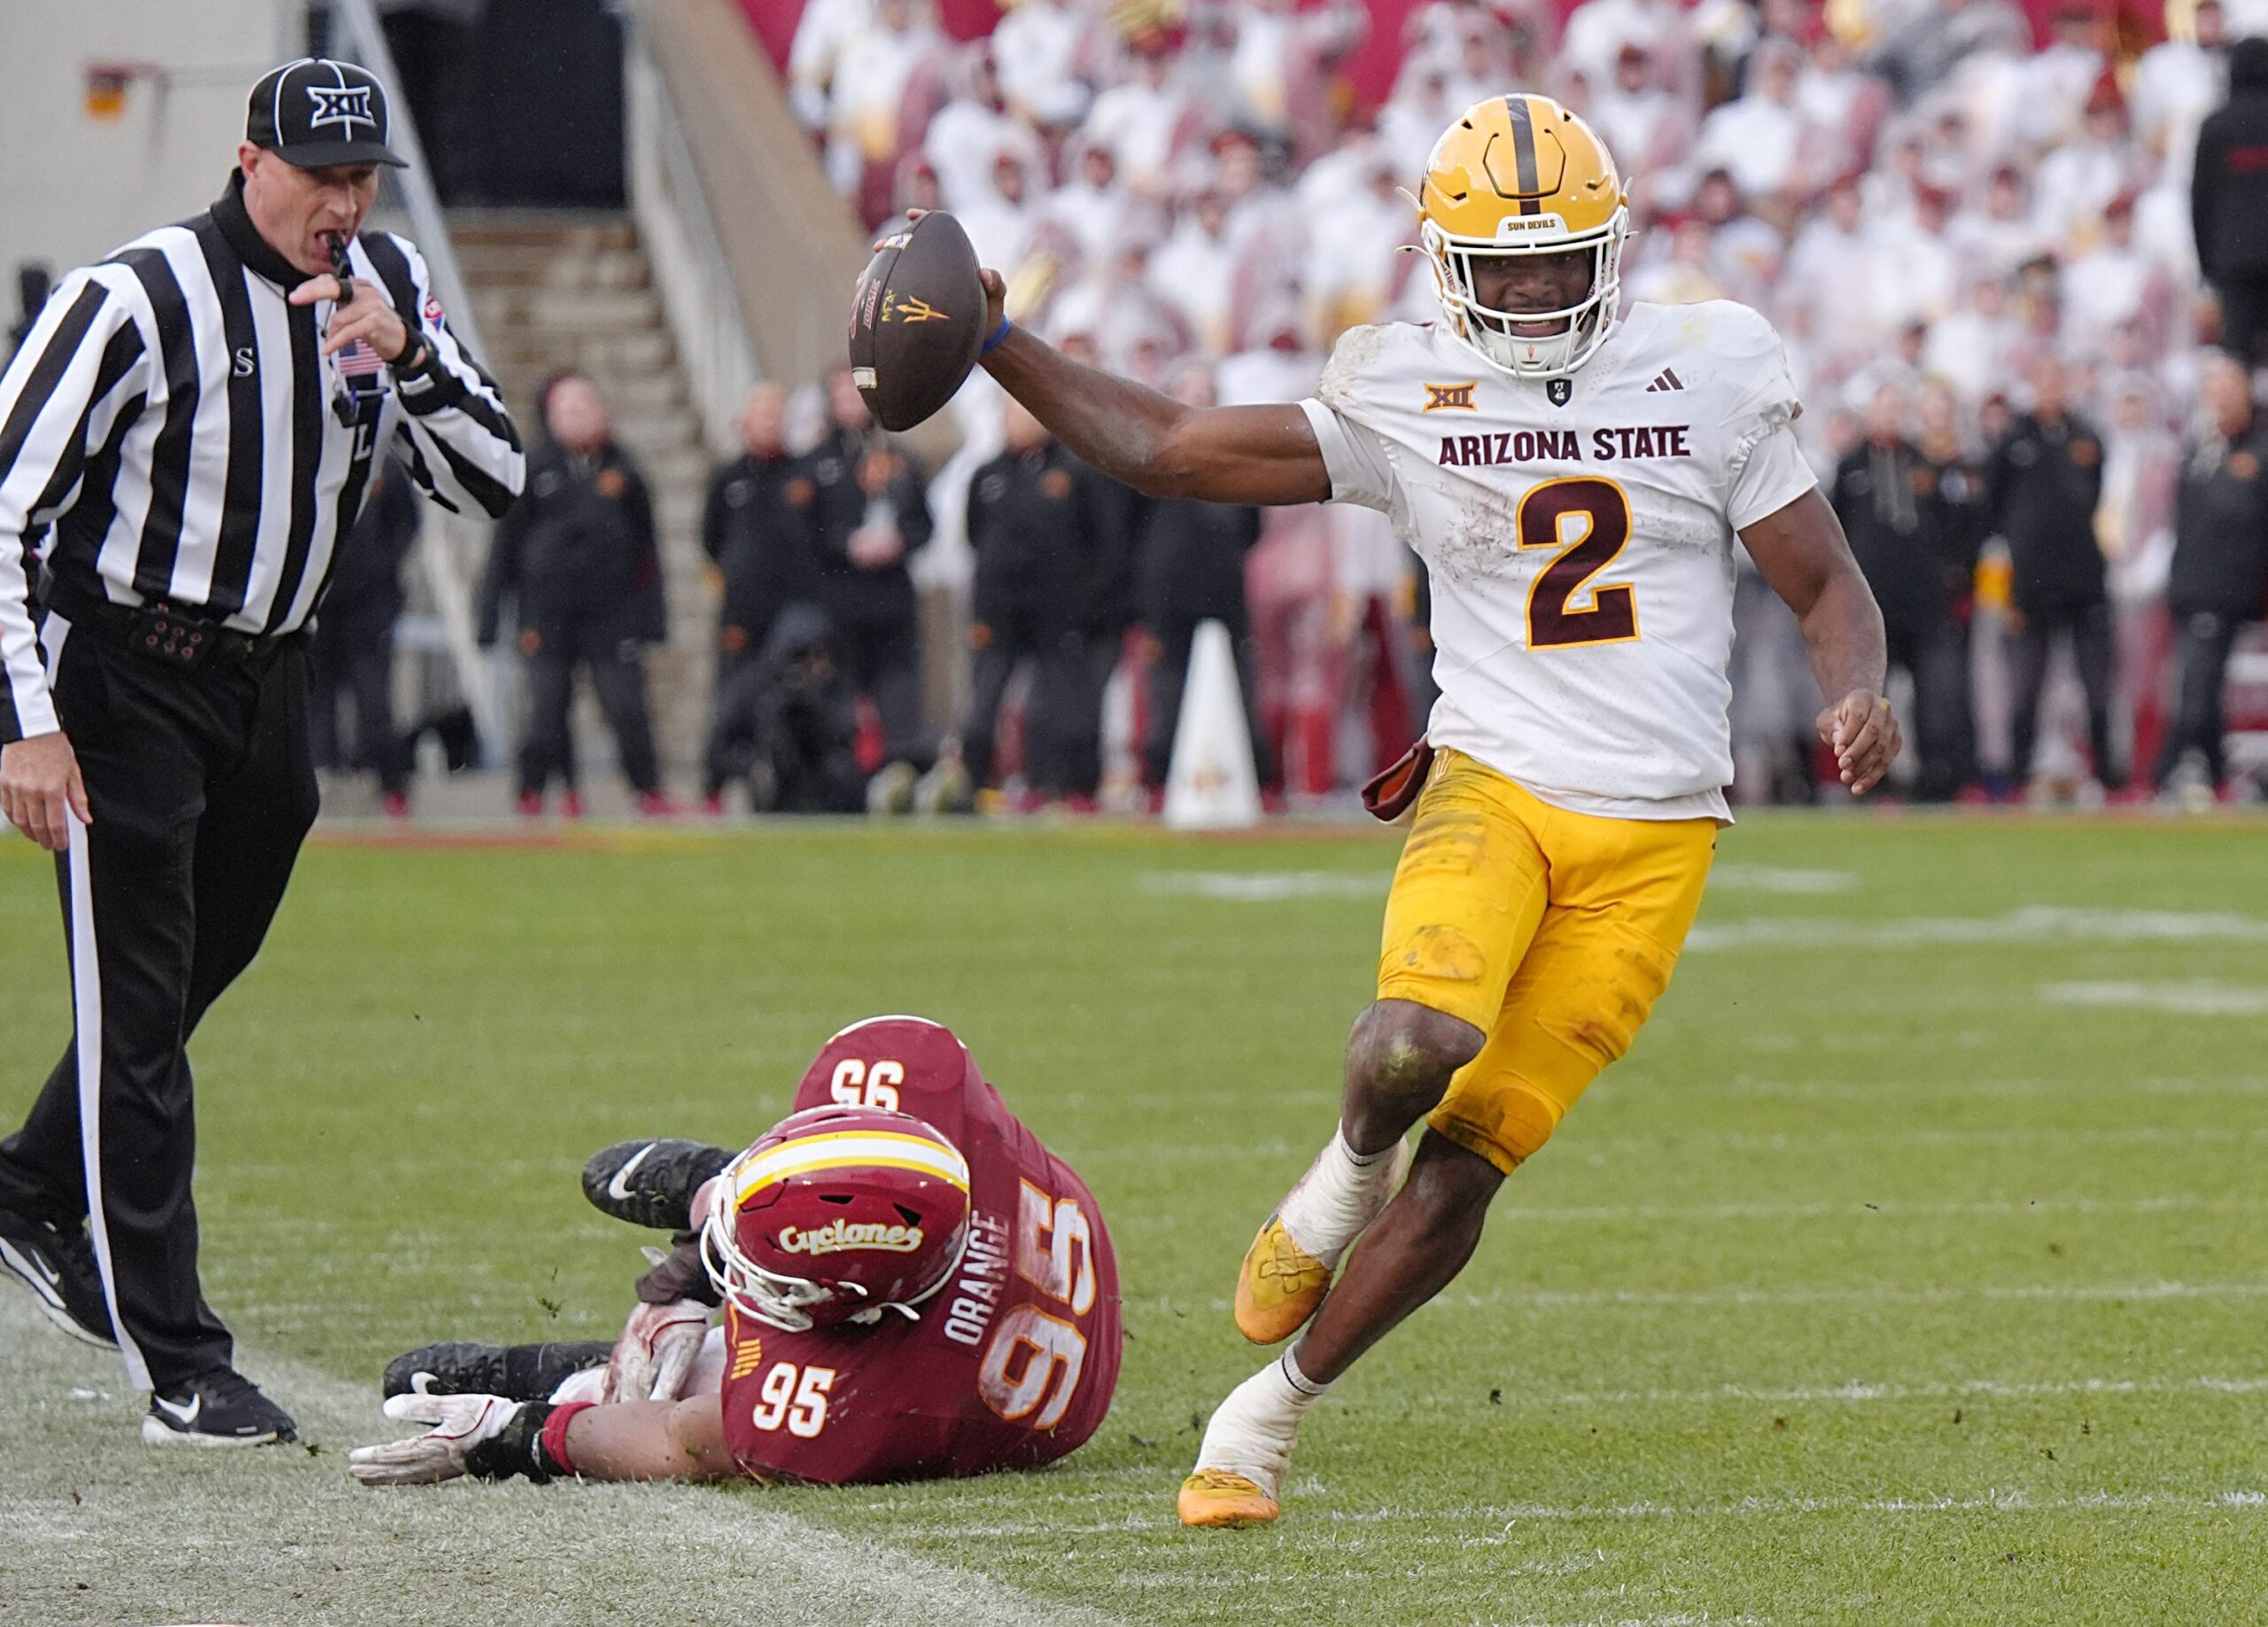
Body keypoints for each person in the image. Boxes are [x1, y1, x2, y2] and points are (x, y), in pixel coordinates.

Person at [961, 93, 1897, 1528]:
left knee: (1466, 1175)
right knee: (1417, 1040)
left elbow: (1826, 581)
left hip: (1656, 840)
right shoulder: (1405, 387)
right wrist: (996, 341)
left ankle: (1263, 1418)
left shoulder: (1708, 366)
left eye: (1557, 260)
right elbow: (1171, 447)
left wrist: (1858, 687)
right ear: (1443, 262)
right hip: (1495, 785)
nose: (1529, 290)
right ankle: (1338, 1179)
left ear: (1614, 246)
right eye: (1503, 266)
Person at [0, 58, 522, 1445]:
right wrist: (30, 722)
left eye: (361, 182)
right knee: (139, 1020)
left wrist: (402, 356)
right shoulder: (134, 295)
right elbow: (2, 506)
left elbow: (498, 477)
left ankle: (31, 1187)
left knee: (174, 990)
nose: (341, 207)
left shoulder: (384, 284)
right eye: (319, 178)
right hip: (122, 677)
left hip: (267, 684)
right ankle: (179, 1363)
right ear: (249, 163)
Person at [348, 1016, 1122, 1488]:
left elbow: (676, 1439)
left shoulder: (851, 1414)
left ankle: (591, 1373)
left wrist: (515, 1436)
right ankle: (726, 1194)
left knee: (694, 1397)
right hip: (997, 1296)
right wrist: (691, 1279)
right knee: (747, 1275)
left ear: (848, 1313)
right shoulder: (927, 1084)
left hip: (950, 1383)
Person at [478, 373, 672, 818]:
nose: (579, 416)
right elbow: (505, 549)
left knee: (625, 706)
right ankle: (535, 793)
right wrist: (490, 617)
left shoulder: (625, 470)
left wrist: (653, 616)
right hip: (547, 614)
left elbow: (648, 549)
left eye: (586, 405)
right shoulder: (533, 468)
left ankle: (649, 791)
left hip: (611, 614)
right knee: (546, 710)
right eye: (568, 409)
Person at [959, 399, 1124, 805]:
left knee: (1066, 702)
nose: (1022, 422)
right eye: (1014, 414)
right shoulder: (987, 476)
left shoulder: (1073, 474)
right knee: (986, 695)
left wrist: (1087, 598)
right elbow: (975, 535)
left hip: (1059, 610)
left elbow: (1102, 542)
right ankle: (974, 782)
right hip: (1000, 608)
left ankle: (1072, 786)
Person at [1986, 354, 2121, 794]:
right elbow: (1995, 507)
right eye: (2042, 380)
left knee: (2098, 690)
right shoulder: (2013, 439)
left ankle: (2109, 778)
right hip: (2030, 584)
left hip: (2084, 579)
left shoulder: (2087, 436)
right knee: (2025, 689)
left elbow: (2097, 498)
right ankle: (2017, 779)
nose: (2051, 389)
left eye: (2057, 380)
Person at [1135, 364, 1271, 798]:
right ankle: (1160, 780)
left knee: (1237, 686)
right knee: (1167, 692)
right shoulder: (1147, 460)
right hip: (1167, 599)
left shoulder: (1236, 464)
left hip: (1223, 594)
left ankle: (1248, 779)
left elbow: (1252, 526)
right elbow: (1129, 531)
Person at [1830, 383, 1972, 798]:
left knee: (1937, 698)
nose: (1890, 416)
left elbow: (1956, 525)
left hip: (1925, 601)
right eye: (1883, 407)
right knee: (1871, 697)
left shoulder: (1927, 461)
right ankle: (1873, 782)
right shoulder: (1850, 464)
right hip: (1871, 604)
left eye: (1897, 408)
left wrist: (1950, 575)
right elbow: (1836, 529)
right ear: (1871, 413)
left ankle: (1937, 781)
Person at [806, 368, 933, 806]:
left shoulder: (899, 457)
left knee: (899, 699)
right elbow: (806, 532)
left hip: (891, 601)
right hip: (840, 602)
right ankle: (842, 788)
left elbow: (924, 524)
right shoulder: (816, 463)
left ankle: (899, 780)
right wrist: (846, 543)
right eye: (842, 394)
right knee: (840, 701)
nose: (851, 403)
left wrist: (898, 541)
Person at [699, 382, 824, 813]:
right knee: (733, 701)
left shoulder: (804, 476)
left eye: (777, 414)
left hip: (793, 616)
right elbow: (710, 540)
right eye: (762, 414)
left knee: (791, 701)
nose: (770, 422)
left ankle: (788, 788)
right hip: (743, 614)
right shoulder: (728, 479)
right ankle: (715, 784)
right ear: (745, 422)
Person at [2154, 354, 2268, 797]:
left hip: (2228, 588)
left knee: (2197, 694)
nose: (2220, 400)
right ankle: (2220, 776)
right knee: (2199, 688)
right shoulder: (2198, 451)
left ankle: (2167, 775)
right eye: (2214, 390)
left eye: (2229, 390)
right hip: (2192, 587)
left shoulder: (2257, 450)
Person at [311, 454, 419, 816]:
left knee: (374, 699)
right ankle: (325, 778)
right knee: (317, 695)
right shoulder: (304, 454)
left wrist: (381, 570)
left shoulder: (384, 466)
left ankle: (391, 785)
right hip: (315, 604)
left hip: (369, 607)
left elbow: (407, 524)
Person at [2192, 37, 2268, 368]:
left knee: (2238, 358)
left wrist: (2207, 267)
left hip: (2233, 263)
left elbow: (2201, 201)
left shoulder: (2215, 127)